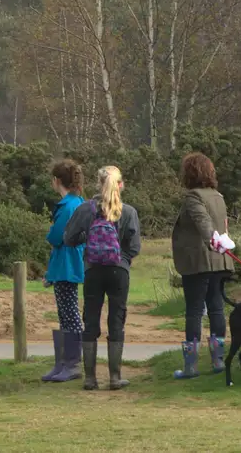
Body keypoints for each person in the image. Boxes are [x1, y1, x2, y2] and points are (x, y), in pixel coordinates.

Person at [64, 164, 141, 391]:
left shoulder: (86, 209)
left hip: (93, 269)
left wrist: (88, 242)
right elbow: (134, 246)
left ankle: (90, 378)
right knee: (116, 319)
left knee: (90, 319)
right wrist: (122, 258)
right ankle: (115, 377)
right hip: (119, 271)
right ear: (121, 185)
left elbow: (68, 238)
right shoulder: (128, 211)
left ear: (98, 183)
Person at [171, 150, 232, 379]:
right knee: (216, 307)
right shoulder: (218, 195)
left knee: (194, 311)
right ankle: (217, 361)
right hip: (219, 260)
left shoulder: (193, 196)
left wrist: (212, 240)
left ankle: (191, 367)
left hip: (199, 260)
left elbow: (203, 222)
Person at [39, 159, 86, 382]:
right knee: (66, 313)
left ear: (57, 181)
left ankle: (72, 363)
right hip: (69, 264)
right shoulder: (78, 202)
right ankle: (64, 362)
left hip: (66, 265)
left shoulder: (67, 206)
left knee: (69, 314)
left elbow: (56, 236)